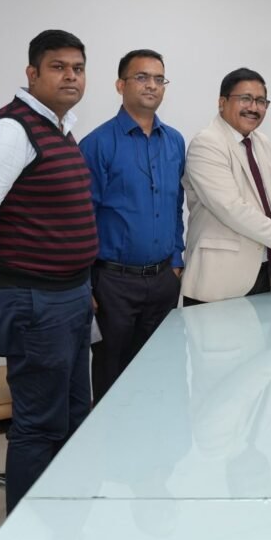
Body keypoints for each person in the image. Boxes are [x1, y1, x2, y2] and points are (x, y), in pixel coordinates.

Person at [0, 29, 98, 512]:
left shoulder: (59, 128)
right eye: (58, 67)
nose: (71, 76)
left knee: (74, 414)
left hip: (69, 296)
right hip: (35, 301)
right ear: (32, 73)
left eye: (78, 68)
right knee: (40, 425)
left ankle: (64, 521)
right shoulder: (11, 131)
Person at [79, 49, 185, 401]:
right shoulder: (97, 144)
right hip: (113, 284)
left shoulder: (175, 141)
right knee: (112, 375)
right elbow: (84, 217)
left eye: (159, 78)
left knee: (160, 375)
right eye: (142, 77)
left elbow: (175, 204)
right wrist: (86, 284)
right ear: (120, 85)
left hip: (163, 280)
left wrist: (176, 260)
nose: (151, 85)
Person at [181, 67, 271, 305]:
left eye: (261, 101)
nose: (254, 107)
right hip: (220, 281)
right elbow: (232, 209)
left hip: (265, 271)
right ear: (222, 102)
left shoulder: (261, 142)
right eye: (245, 98)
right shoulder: (206, 144)